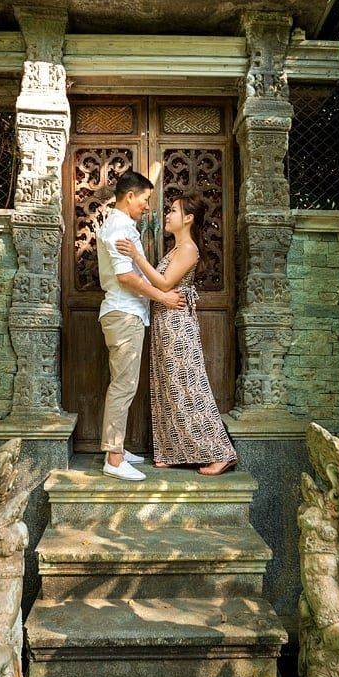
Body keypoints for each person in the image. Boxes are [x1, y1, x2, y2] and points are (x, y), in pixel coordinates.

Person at [117, 191, 237, 476]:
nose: (167, 215)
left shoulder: (188, 249)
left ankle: (221, 453)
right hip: (165, 322)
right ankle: (173, 452)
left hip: (178, 325)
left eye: (173, 210)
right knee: (168, 386)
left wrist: (136, 255)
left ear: (188, 218)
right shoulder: (176, 249)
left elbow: (164, 283)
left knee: (189, 387)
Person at [96, 171, 186, 482]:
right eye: (145, 200)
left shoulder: (121, 225)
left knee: (125, 384)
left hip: (127, 313)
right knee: (123, 386)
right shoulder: (119, 227)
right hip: (123, 314)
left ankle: (117, 449)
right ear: (130, 196)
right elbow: (126, 277)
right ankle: (114, 458)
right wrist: (163, 296)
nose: (147, 206)